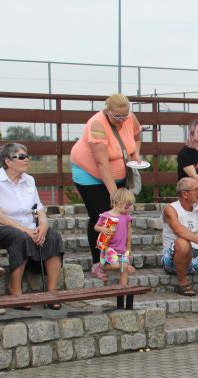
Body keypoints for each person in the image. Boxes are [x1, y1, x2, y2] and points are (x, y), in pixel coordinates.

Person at [0, 143, 64, 309]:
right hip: (0, 227)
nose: (27, 159)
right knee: (20, 237)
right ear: (8, 161)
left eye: (27, 156)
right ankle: (15, 289)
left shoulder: (29, 180)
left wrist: (43, 226)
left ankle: (51, 291)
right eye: (21, 157)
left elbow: (38, 209)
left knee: (53, 236)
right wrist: (26, 230)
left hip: (28, 225)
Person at [69, 93, 141, 276]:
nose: (122, 120)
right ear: (108, 110)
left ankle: (117, 258)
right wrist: (115, 196)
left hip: (120, 173)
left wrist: (136, 153)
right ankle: (98, 262)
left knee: (121, 216)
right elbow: (102, 163)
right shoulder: (97, 125)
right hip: (90, 174)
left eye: (125, 115)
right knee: (102, 215)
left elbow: (137, 136)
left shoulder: (130, 117)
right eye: (117, 116)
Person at [94, 188, 135, 285]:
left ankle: (123, 288)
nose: (130, 207)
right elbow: (96, 227)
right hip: (109, 248)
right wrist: (102, 229)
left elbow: (129, 234)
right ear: (119, 202)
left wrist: (128, 249)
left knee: (124, 267)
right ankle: (101, 266)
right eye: (128, 204)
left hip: (122, 249)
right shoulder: (106, 215)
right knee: (115, 266)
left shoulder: (127, 217)